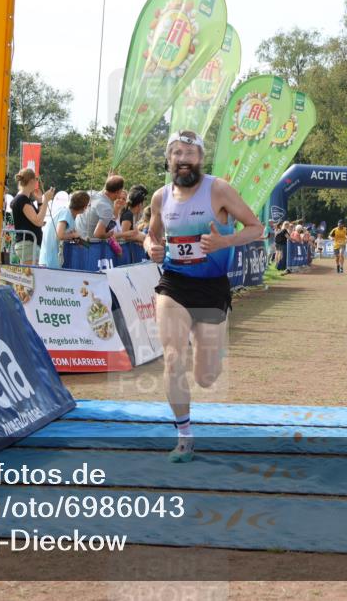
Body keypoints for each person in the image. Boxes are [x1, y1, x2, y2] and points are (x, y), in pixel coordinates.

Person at [144, 130, 262, 463]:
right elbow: (151, 235)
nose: (183, 159)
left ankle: (209, 347)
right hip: (174, 283)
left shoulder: (219, 189)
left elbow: (256, 228)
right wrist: (151, 247)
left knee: (206, 377)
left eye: (190, 153)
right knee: (172, 357)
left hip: (212, 287)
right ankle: (184, 436)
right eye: (177, 153)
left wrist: (225, 241)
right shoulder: (160, 197)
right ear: (169, 159)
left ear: (200, 158)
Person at [10, 168, 53, 265]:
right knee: (30, 274)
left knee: (30, 273)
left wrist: (40, 201)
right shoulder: (22, 199)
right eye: (36, 180)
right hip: (28, 244)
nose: (37, 183)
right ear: (32, 181)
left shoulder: (23, 199)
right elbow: (38, 221)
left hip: (29, 244)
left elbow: (39, 218)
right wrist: (46, 200)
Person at [39, 191, 89, 269]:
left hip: (50, 258)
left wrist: (86, 244)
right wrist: (73, 235)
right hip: (49, 259)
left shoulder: (67, 214)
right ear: (84, 207)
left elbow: (76, 239)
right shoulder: (66, 213)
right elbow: (59, 235)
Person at [77, 175, 126, 241]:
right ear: (118, 192)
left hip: (75, 240)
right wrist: (109, 234)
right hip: (89, 244)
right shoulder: (107, 209)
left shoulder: (92, 193)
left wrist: (110, 180)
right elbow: (98, 234)